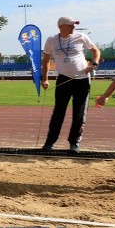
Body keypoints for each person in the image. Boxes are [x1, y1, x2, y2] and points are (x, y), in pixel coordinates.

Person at [40, 16, 100, 152]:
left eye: (74, 25)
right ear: (62, 26)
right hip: (63, 79)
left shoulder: (81, 37)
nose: (74, 27)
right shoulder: (52, 40)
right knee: (58, 112)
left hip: (82, 79)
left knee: (78, 113)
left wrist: (94, 63)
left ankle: (74, 143)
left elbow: (95, 51)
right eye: (71, 25)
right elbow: (46, 61)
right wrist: (45, 79)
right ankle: (50, 142)